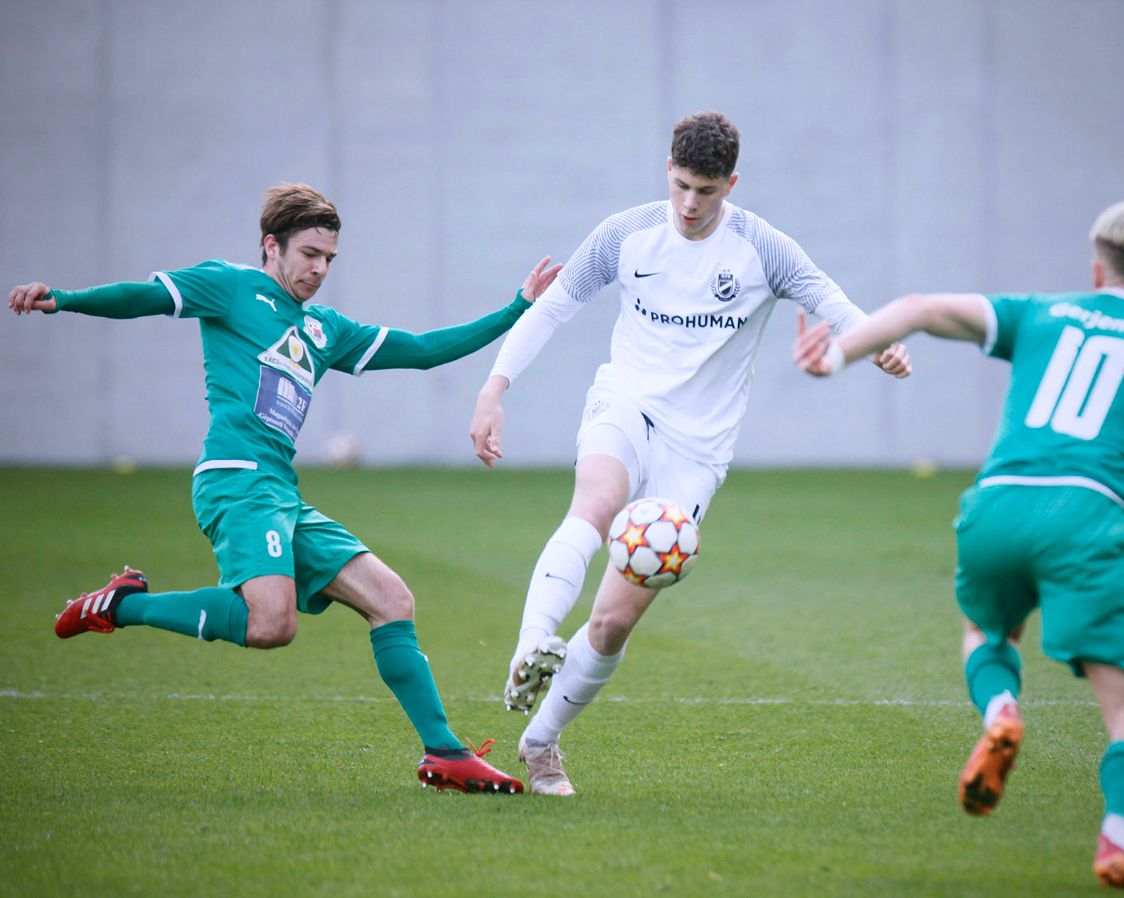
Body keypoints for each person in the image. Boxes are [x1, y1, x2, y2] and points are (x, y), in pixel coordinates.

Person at [8, 183, 563, 795]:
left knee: (391, 599)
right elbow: (144, 296)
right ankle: (120, 606)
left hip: (280, 493)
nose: (320, 269)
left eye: (329, 258)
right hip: (235, 481)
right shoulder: (229, 286)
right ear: (271, 246)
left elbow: (425, 351)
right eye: (309, 254)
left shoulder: (325, 328)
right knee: (271, 624)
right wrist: (63, 300)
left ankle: (444, 753)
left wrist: (516, 309)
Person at [468, 111, 912, 795]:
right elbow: (552, 308)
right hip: (626, 403)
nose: (689, 205)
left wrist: (877, 343)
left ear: (730, 184)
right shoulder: (625, 235)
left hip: (697, 451)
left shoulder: (763, 249)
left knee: (614, 621)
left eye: (705, 191)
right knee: (596, 503)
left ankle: (541, 741)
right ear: (667, 171)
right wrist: (493, 389)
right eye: (680, 186)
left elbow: (833, 302)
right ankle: (533, 642)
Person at [793, 199, 1124, 891]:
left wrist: (837, 354)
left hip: (996, 506)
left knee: (986, 631)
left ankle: (1001, 711)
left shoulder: (1042, 313)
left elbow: (920, 308)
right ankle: (1121, 838)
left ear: (1096, 269)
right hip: (1087, 518)